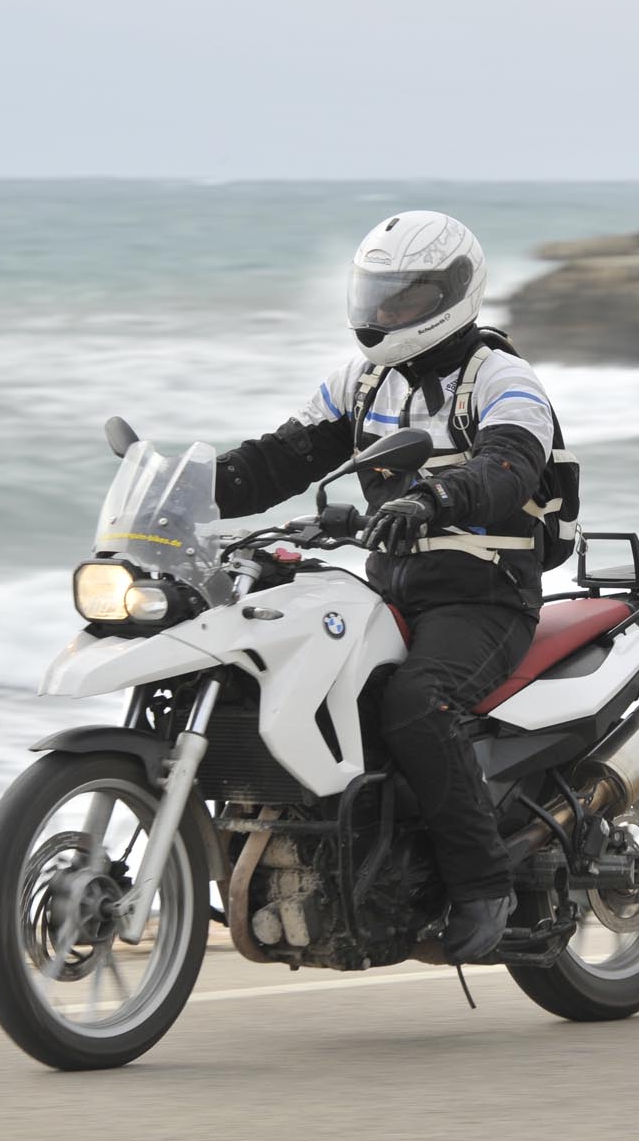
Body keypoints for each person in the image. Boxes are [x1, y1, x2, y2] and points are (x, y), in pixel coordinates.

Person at [215, 211, 556, 963]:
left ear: (454, 294)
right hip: (391, 590)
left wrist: (437, 498)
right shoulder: (362, 380)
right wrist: (196, 485)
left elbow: (509, 463)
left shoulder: (501, 379)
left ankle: (483, 885)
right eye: (380, 295)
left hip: (485, 593)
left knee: (417, 701)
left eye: (407, 297)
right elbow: (280, 459)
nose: (388, 312)